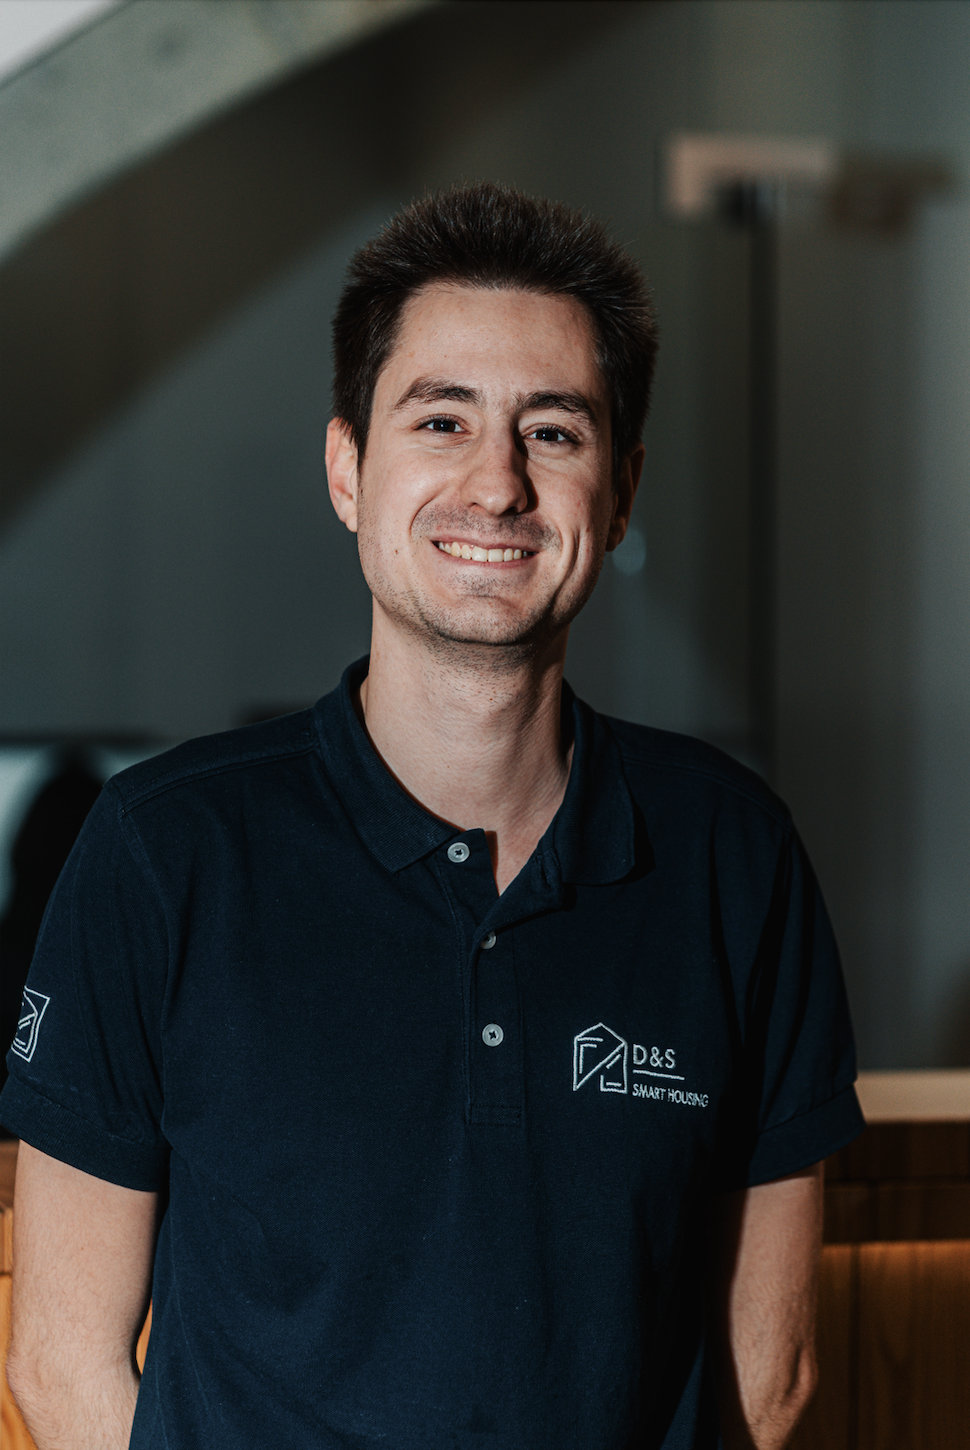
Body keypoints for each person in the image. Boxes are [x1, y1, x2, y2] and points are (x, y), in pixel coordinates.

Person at [1, 182, 863, 1450]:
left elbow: (767, 1373)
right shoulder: (160, 850)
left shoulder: (735, 857)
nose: (496, 483)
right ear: (349, 469)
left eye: (554, 432)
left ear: (619, 494)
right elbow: (60, 1360)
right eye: (441, 418)